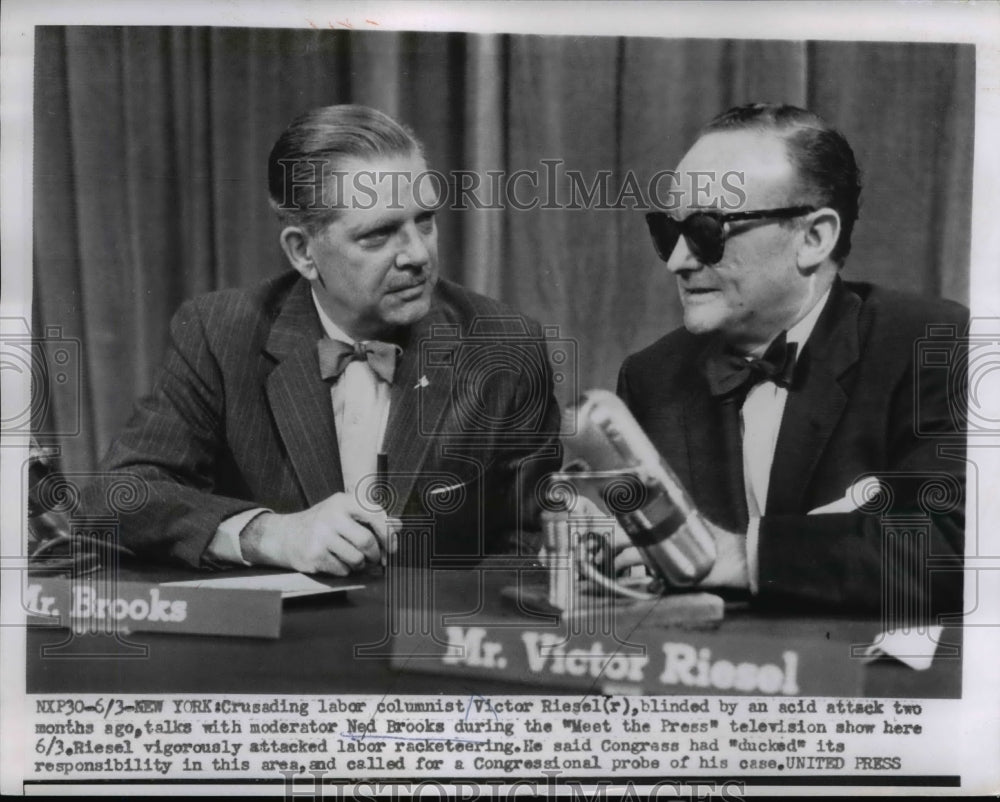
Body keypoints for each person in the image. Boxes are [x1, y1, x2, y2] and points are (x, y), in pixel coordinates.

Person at [84, 105, 560, 575]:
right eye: (378, 235)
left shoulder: (505, 344)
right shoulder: (220, 333)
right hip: (283, 646)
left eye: (426, 221)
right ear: (303, 251)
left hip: (433, 641)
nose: (417, 254)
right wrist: (269, 534)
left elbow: (535, 536)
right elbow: (119, 496)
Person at [615, 104, 966, 617]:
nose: (677, 261)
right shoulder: (650, 377)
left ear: (814, 238)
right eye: (668, 233)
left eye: (708, 230)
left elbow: (957, 544)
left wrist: (738, 555)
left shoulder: (935, 344)